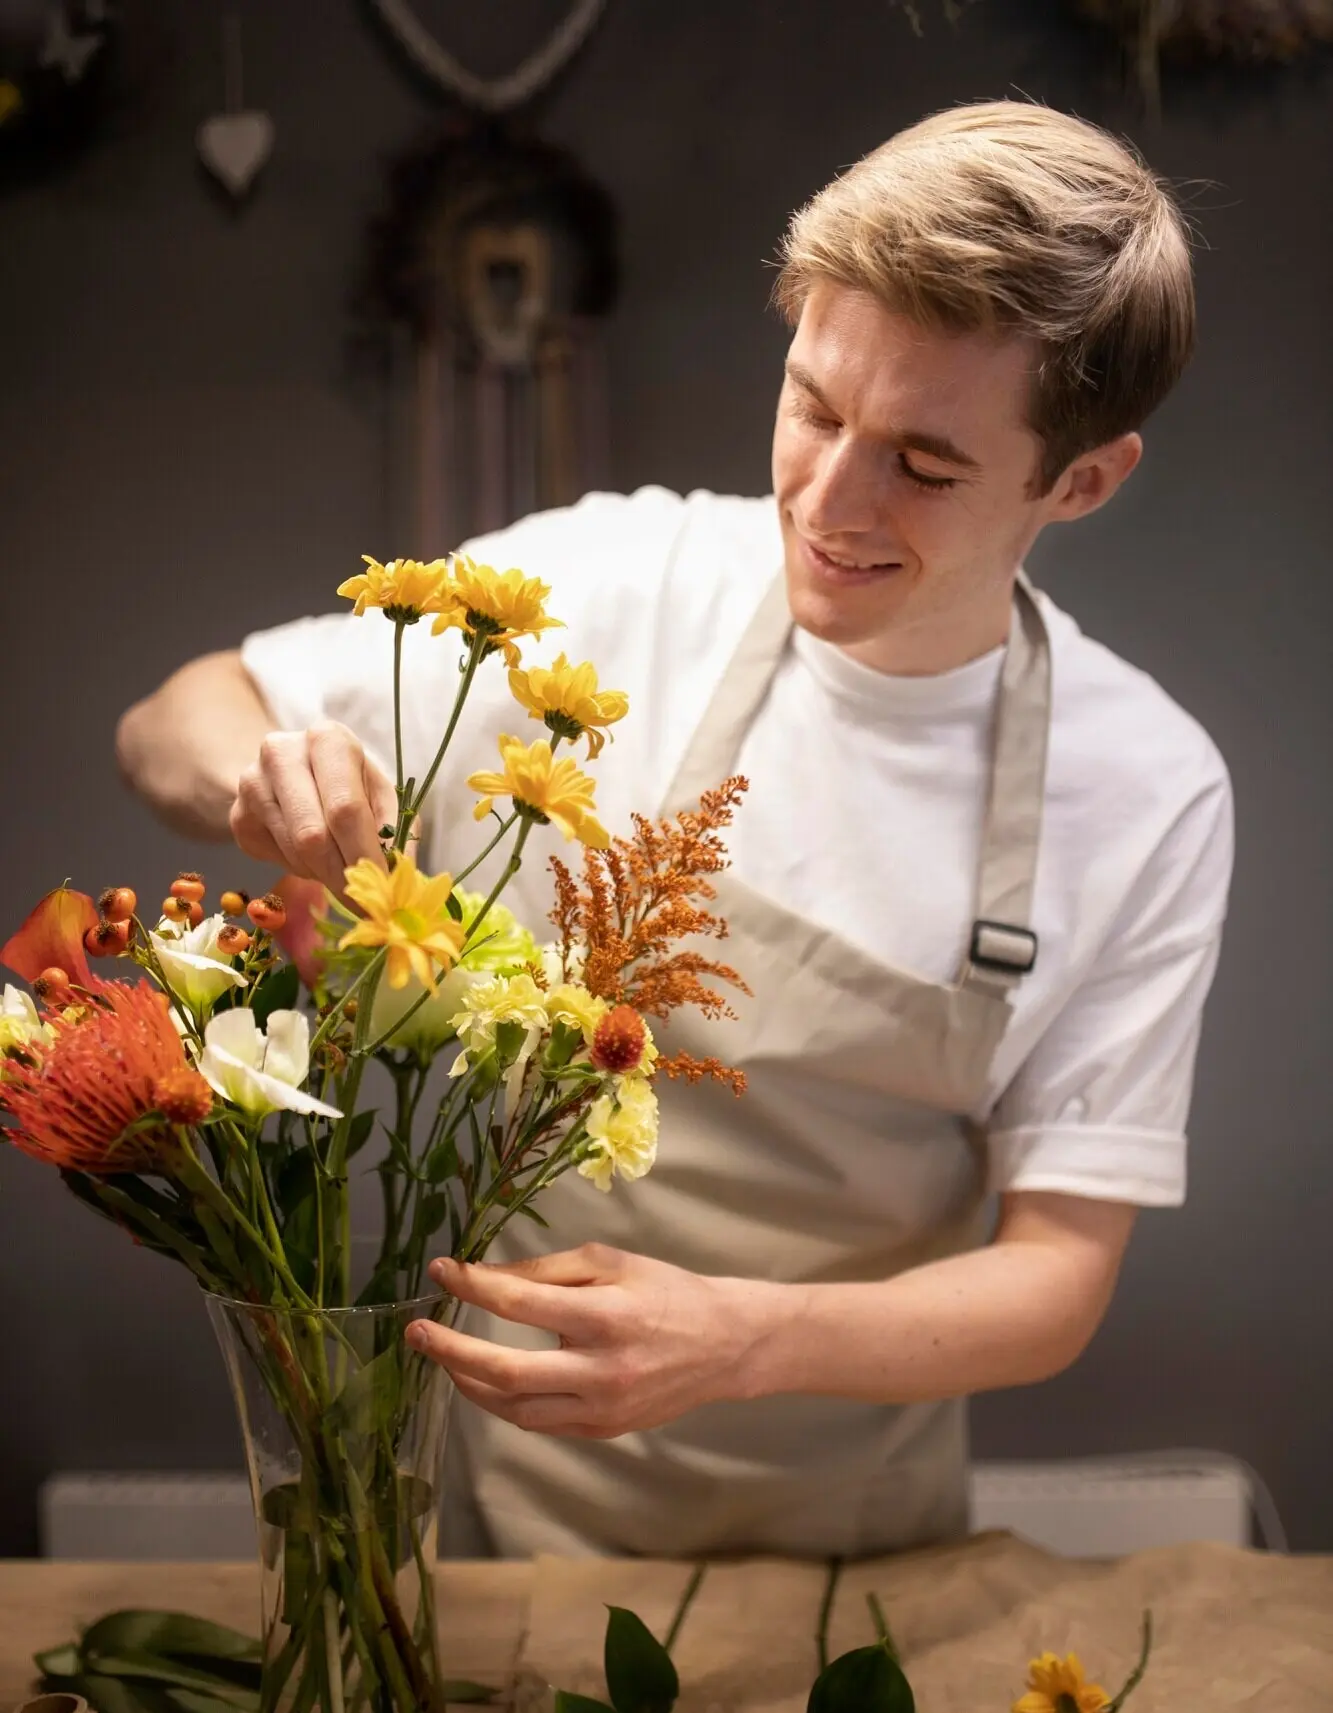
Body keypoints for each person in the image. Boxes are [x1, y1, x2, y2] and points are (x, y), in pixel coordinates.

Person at [117, 102, 1233, 1561]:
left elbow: (1056, 1280)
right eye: (815, 406)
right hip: (498, 1520)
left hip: (858, 1549)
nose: (828, 500)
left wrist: (746, 1340)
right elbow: (174, 716)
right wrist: (263, 774)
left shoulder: (1145, 789)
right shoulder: (616, 581)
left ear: (1079, 480)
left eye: (925, 462)